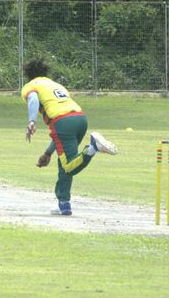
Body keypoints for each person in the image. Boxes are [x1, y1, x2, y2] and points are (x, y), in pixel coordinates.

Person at [21, 58, 117, 216]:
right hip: (80, 119)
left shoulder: (31, 86)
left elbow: (32, 99)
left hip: (62, 122)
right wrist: (48, 153)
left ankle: (92, 148)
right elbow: (59, 137)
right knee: (64, 160)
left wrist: (32, 121)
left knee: (68, 165)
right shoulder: (56, 85)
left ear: (28, 75)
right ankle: (64, 204)